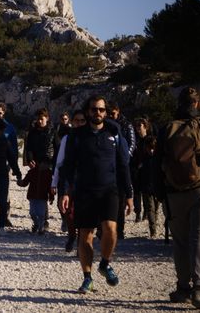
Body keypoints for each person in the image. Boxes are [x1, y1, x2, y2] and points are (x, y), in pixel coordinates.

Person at [59, 95, 132, 294]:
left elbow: (123, 165)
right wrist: (65, 192)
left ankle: (105, 263)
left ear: (106, 112)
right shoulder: (77, 136)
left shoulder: (114, 133)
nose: (97, 113)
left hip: (110, 189)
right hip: (84, 191)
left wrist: (129, 193)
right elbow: (68, 166)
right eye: (93, 109)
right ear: (87, 111)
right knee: (86, 235)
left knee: (110, 229)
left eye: (101, 110)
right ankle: (87, 277)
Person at [156, 87, 200, 308]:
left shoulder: (166, 129)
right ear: (197, 104)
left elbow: (156, 164)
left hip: (174, 193)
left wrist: (161, 193)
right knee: (199, 240)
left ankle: (183, 288)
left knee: (180, 242)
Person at [52, 110, 87, 252]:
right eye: (77, 120)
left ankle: (80, 244)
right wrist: (54, 183)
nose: (79, 123)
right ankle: (72, 235)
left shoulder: (90, 138)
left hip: (85, 181)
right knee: (68, 212)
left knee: (82, 214)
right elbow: (59, 163)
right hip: (68, 180)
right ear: (72, 122)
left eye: (82, 120)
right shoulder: (67, 139)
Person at [23, 108, 55, 233]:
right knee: (37, 191)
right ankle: (38, 223)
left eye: (42, 118)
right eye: (38, 119)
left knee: (44, 192)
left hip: (48, 166)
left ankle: (44, 222)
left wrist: (50, 163)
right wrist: (30, 159)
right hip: (36, 166)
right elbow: (29, 148)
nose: (39, 121)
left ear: (47, 118)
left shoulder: (53, 132)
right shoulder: (32, 132)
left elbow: (56, 148)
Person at [108, 102, 137, 239]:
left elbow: (131, 144)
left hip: (122, 165)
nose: (111, 116)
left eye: (113, 113)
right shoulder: (106, 126)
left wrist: (124, 157)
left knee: (121, 199)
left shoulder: (127, 126)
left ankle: (119, 229)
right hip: (108, 167)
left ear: (118, 112)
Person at [18, 155, 55, 235]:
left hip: (43, 197)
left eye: (47, 164)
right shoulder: (32, 172)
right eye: (45, 164)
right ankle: (36, 224)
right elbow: (25, 182)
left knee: (41, 214)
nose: (46, 166)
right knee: (32, 213)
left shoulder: (48, 174)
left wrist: (51, 197)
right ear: (39, 163)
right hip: (32, 196)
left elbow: (50, 187)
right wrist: (20, 183)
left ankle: (41, 228)